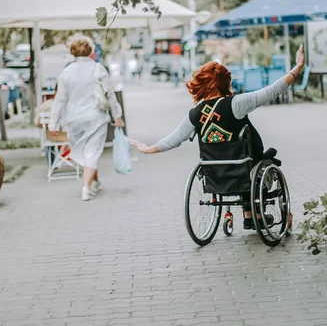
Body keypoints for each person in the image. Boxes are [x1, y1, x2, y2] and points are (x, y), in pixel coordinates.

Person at [129, 45, 305, 229]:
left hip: (214, 170)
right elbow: (272, 91)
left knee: (243, 163)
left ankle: (248, 215)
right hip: (245, 165)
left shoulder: (195, 114)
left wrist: (148, 149)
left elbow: (174, 139)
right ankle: (256, 216)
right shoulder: (236, 104)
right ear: (225, 83)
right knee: (252, 161)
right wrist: (297, 66)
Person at [49, 36, 125, 201]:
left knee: (86, 152)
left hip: (74, 120)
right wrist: (117, 116)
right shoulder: (98, 69)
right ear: (91, 51)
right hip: (96, 117)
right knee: (92, 152)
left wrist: (52, 124)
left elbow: (60, 100)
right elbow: (110, 94)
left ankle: (95, 182)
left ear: (72, 52)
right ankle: (87, 188)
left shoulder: (66, 72)